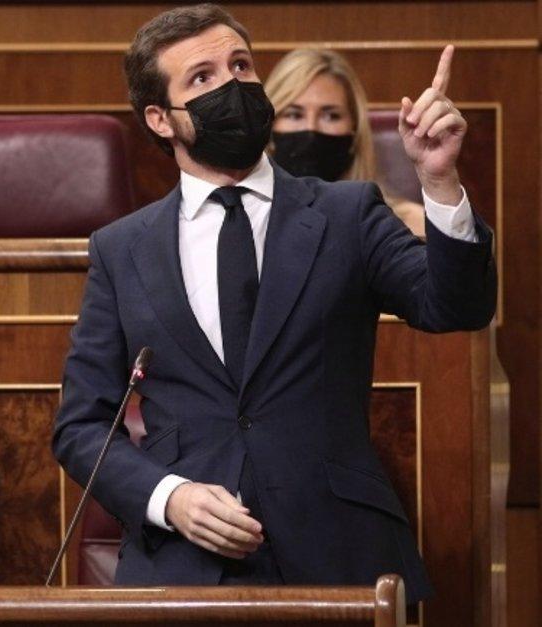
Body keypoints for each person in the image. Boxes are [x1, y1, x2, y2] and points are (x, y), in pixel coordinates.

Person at [52, 4, 494, 604]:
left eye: (241, 65)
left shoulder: (348, 213)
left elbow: (456, 307)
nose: (232, 85)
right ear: (160, 118)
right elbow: (82, 426)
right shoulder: (121, 249)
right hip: (186, 569)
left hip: (343, 557)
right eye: (202, 78)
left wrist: (439, 182)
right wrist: (169, 498)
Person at [265, 48, 427, 237]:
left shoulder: (406, 224)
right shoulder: (248, 222)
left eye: (331, 116)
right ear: (269, 127)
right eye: (294, 114)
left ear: (354, 128)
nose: (311, 129)